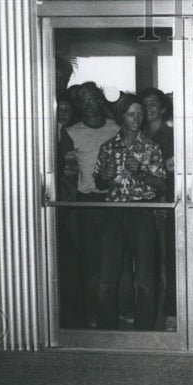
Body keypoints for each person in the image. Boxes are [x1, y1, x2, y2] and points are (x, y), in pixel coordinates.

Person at [93, 96, 167, 331]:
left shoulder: (150, 147)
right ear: (121, 116)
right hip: (113, 213)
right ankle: (107, 330)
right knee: (107, 278)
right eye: (131, 114)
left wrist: (142, 173)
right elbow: (100, 182)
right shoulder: (108, 146)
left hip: (140, 213)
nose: (136, 119)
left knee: (145, 279)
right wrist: (103, 177)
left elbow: (162, 184)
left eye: (140, 114)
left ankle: (144, 331)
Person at [60, 82, 120, 327]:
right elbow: (60, 168)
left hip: (114, 201)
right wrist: (73, 185)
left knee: (114, 261)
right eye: (83, 101)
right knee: (91, 262)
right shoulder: (72, 132)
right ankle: (94, 314)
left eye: (92, 99)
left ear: (100, 100)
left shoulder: (115, 128)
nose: (88, 104)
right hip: (87, 202)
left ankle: (114, 314)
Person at [140, 87, 176, 331]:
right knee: (146, 262)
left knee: (169, 260)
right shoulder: (137, 133)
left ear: (162, 107)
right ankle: (146, 317)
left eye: (153, 103)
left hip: (166, 204)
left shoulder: (172, 134)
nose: (149, 108)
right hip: (142, 204)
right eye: (145, 104)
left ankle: (172, 313)